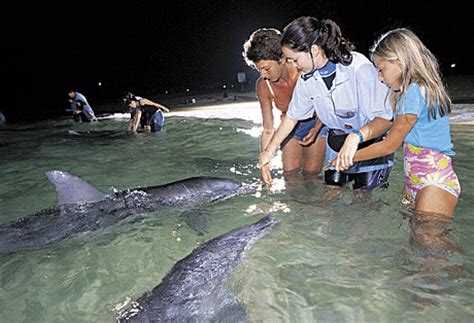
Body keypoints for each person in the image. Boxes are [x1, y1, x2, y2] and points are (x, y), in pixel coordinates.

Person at [333, 28, 461, 217]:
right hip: (415, 180)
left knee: (431, 242)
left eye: (381, 69)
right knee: (416, 240)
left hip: (434, 183)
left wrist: (347, 158)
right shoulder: (411, 92)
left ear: (398, 61)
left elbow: (390, 145)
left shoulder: (414, 92)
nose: (379, 77)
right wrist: (357, 136)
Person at [259, 17, 394, 191]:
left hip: (370, 144)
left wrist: (355, 137)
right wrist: (268, 152)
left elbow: (386, 119)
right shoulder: (307, 78)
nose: (293, 65)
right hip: (337, 144)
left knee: (364, 202)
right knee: (329, 196)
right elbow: (292, 117)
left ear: (314, 50)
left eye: (294, 59)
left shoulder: (359, 69)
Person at [243, 28, 326, 186]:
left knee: (311, 175)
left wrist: (317, 128)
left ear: (282, 59)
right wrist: (265, 164)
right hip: (289, 128)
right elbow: (268, 129)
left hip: (317, 122)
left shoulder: (304, 71)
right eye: (258, 69)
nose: (262, 75)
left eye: (266, 68)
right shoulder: (263, 85)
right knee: (290, 176)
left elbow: (326, 105)